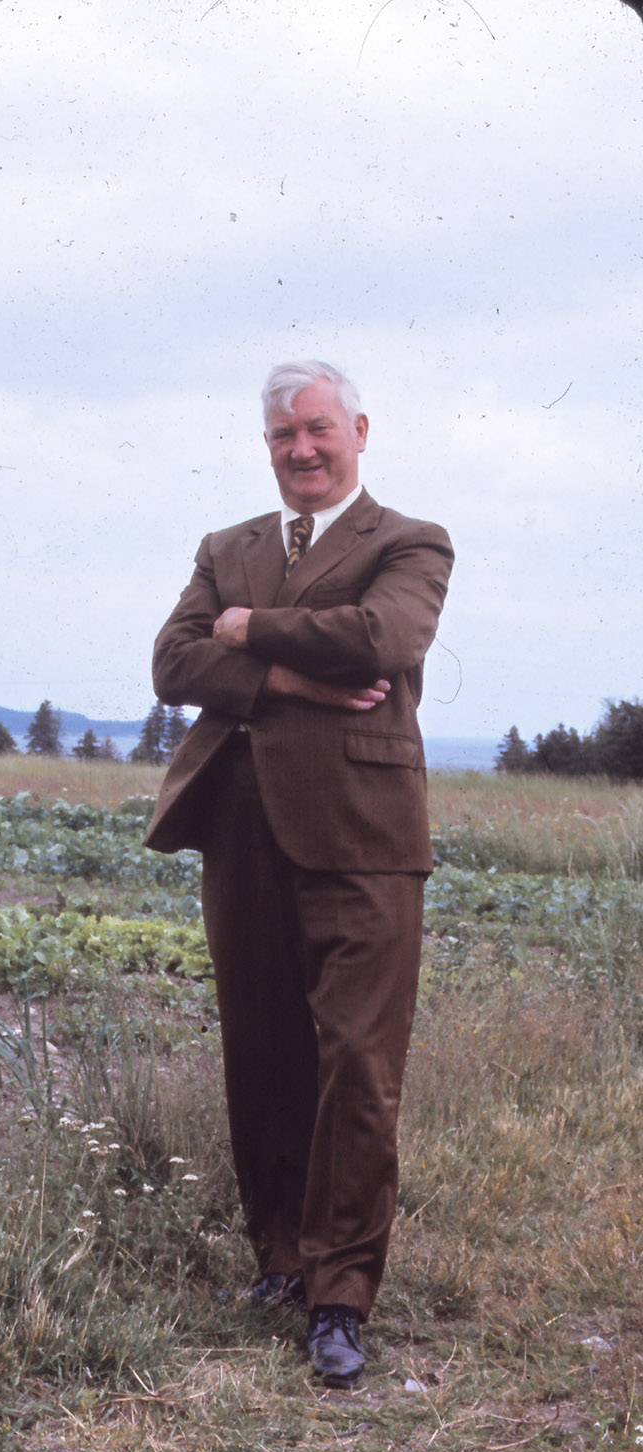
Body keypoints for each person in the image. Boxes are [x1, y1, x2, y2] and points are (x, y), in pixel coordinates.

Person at [144, 361, 453, 1388]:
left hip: (365, 838)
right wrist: (288, 676)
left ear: (359, 429)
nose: (302, 449)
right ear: (266, 444)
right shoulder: (226, 547)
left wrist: (245, 630)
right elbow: (171, 663)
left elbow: (379, 639)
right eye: (283, 435)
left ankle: (339, 1298)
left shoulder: (409, 542)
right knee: (263, 1052)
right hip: (242, 829)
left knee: (356, 1065)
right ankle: (279, 1261)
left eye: (318, 429)